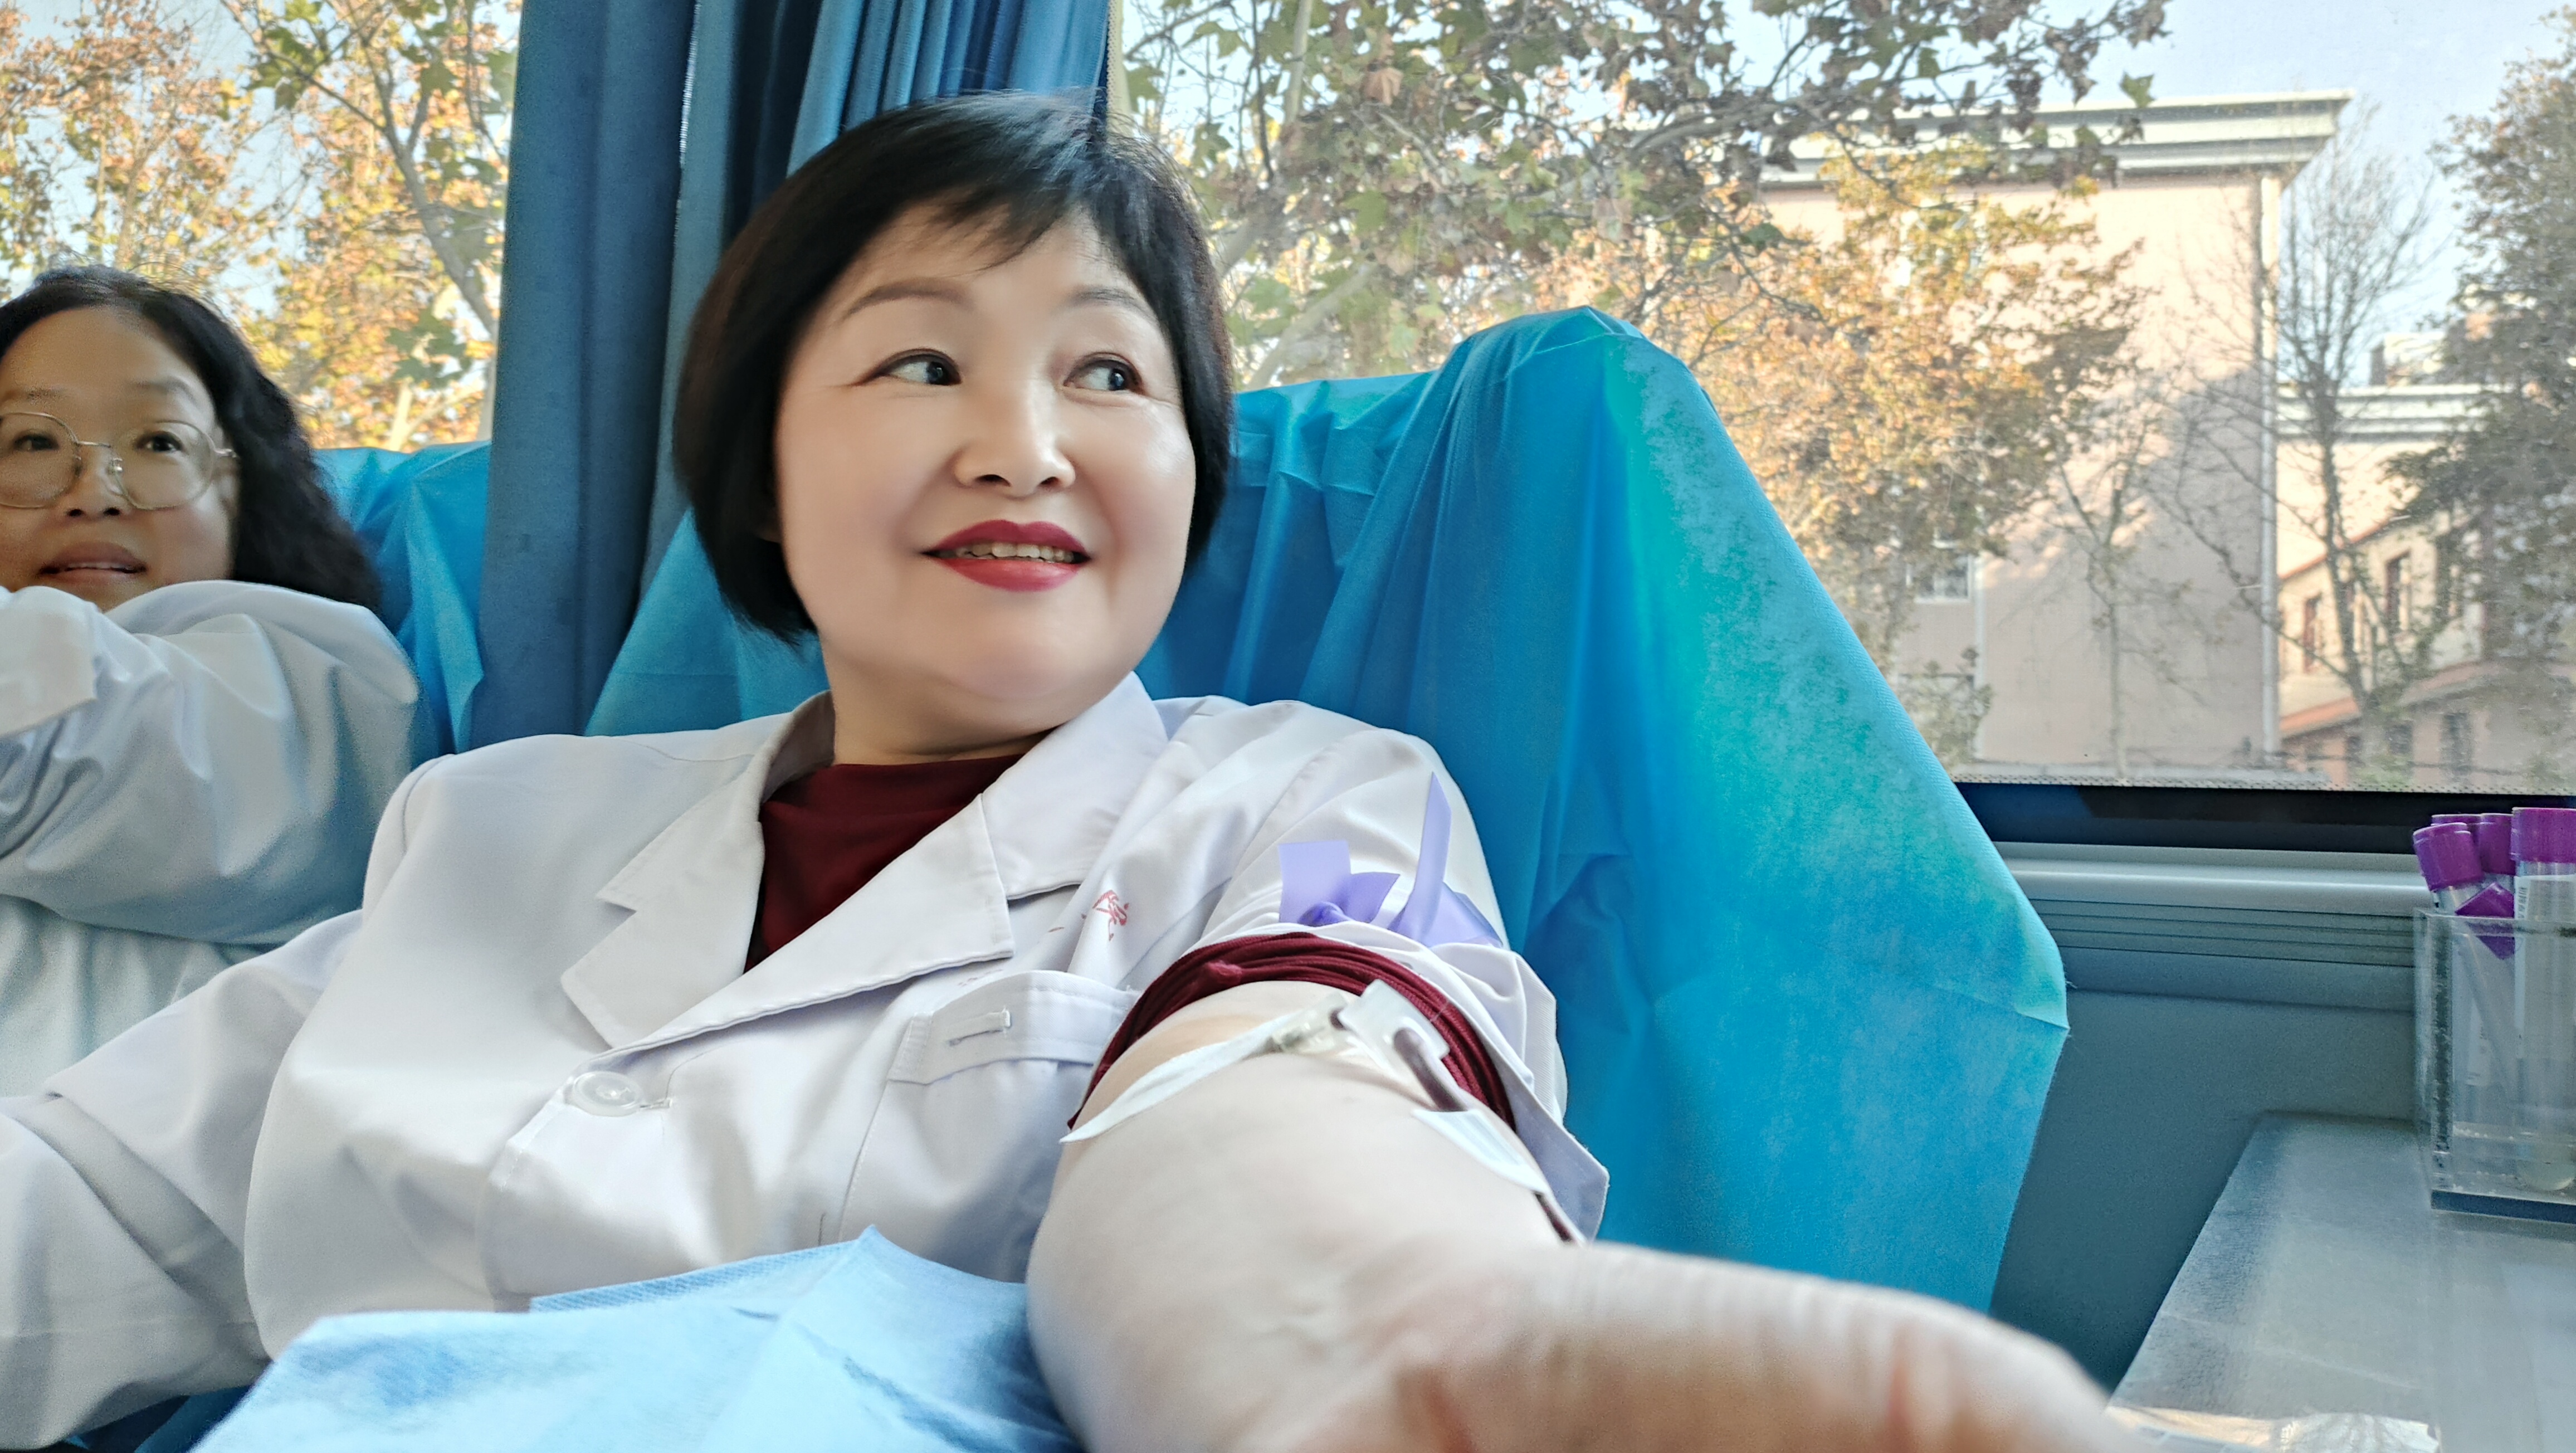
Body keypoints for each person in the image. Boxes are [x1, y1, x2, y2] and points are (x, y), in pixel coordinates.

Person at [0, 102, 2123, 1452]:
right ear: (760, 465)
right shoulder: (490, 826)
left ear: (1186, 476)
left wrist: (1369, 1342)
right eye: (922, 357)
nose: (1023, 438)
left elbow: (1291, 1071)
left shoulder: (1304, 804)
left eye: (1110, 370)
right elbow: (94, 1198)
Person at [0, 269, 418, 1096]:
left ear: (240, 488)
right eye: (33, 444)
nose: (95, 494)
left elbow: (76, 750)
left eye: (159, 443)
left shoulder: (325, 681)